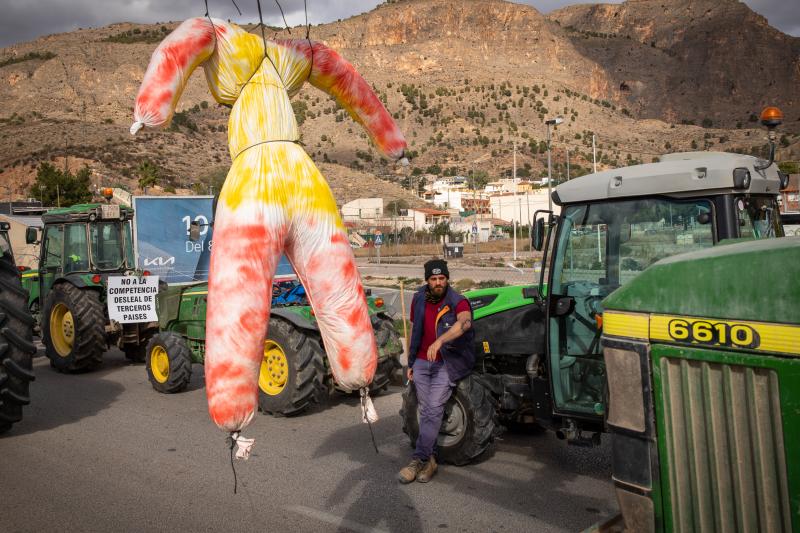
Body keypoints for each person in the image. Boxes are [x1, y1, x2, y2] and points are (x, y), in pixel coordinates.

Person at [398, 259, 474, 484]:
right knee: (425, 409)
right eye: (434, 279)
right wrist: (411, 361)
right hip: (421, 362)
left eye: (442, 278)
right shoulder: (419, 298)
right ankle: (430, 460)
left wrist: (440, 341)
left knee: (432, 409)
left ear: (447, 278)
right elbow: (414, 328)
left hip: (446, 363)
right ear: (427, 280)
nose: (438, 282)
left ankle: (418, 460)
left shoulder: (457, 301)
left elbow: (465, 323)